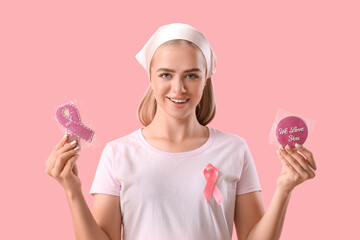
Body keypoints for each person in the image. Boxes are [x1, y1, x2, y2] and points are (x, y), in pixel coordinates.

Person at [46, 23, 317, 240]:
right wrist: (72, 190)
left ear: (205, 79)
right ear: (150, 77)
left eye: (191, 75)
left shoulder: (234, 149)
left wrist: (284, 188)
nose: (178, 88)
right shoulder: (119, 153)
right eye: (166, 74)